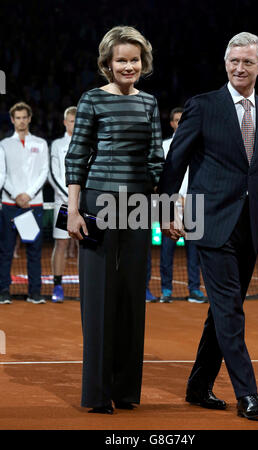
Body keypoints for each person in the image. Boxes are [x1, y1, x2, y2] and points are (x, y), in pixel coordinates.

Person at [158, 32, 258, 419]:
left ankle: (198, 386)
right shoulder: (202, 106)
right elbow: (174, 165)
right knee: (230, 311)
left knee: (223, 310)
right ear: (225, 63)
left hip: (250, 229)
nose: (239, 68)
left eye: (247, 62)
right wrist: (165, 213)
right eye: (234, 61)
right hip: (209, 223)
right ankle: (248, 395)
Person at [65, 26, 164, 414]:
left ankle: (125, 391)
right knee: (97, 299)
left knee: (130, 297)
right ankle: (96, 393)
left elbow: (156, 161)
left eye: (134, 60)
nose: (128, 66)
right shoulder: (91, 100)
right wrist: (73, 210)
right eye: (121, 60)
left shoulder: (150, 103)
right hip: (97, 202)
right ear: (108, 63)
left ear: (143, 63)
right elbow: (77, 157)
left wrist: (165, 209)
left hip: (138, 205)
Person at [0, 102, 49, 305]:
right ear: (12, 120)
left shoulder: (41, 143)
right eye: (17, 117)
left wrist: (27, 195)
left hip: (32, 205)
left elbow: (43, 172)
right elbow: (1, 174)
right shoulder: (4, 144)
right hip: (10, 205)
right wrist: (16, 195)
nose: (21, 121)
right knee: (5, 250)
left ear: (29, 119)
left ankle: (34, 293)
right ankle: (3, 291)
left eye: (24, 117)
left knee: (34, 251)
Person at [160, 107, 205, 304]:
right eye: (176, 120)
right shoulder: (163, 145)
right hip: (171, 205)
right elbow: (163, 177)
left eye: (182, 119)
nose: (180, 123)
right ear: (171, 123)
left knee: (194, 251)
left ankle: (194, 289)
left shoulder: (199, 145)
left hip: (194, 203)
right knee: (166, 250)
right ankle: (166, 290)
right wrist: (175, 201)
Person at [48, 106, 77, 303]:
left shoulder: (91, 143)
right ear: (65, 122)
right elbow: (54, 174)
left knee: (87, 244)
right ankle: (57, 286)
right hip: (64, 202)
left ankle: (89, 286)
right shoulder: (57, 145)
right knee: (61, 243)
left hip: (85, 203)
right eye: (71, 121)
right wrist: (70, 196)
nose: (74, 125)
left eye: (78, 121)